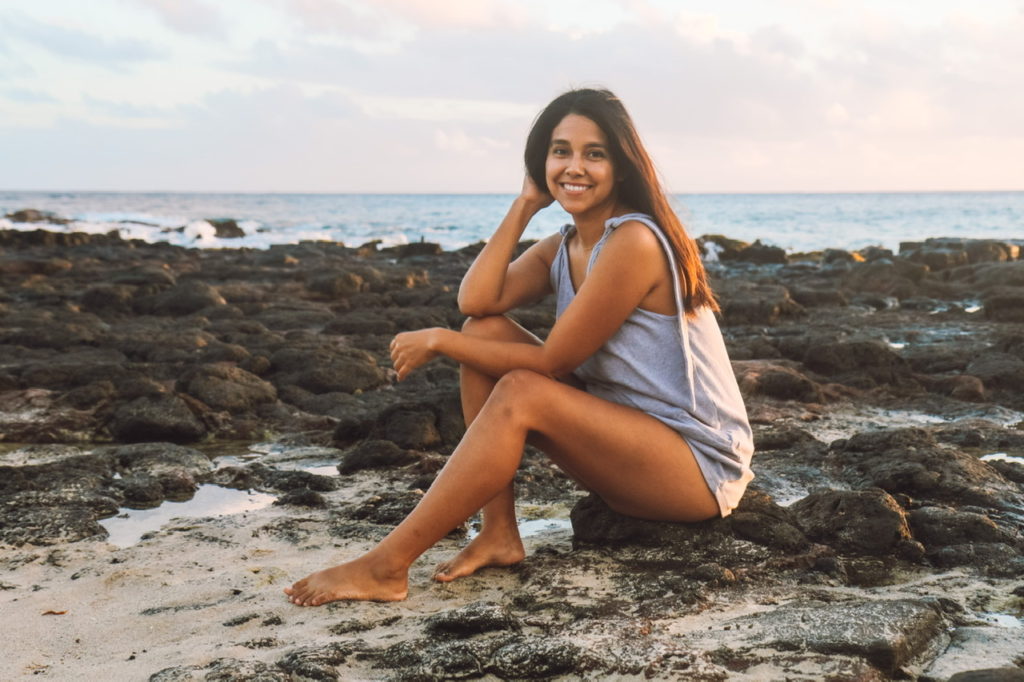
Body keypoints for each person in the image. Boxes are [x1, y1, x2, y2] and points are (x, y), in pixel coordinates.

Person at [284, 87, 753, 606]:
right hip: (628, 442)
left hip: (695, 469)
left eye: (594, 154)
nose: (574, 166)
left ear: (622, 166)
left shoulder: (635, 242)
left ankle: (386, 566)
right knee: (482, 332)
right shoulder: (565, 244)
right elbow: (477, 300)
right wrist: (526, 203)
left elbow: (554, 362)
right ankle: (498, 533)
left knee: (520, 387)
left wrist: (440, 341)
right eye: (560, 151)